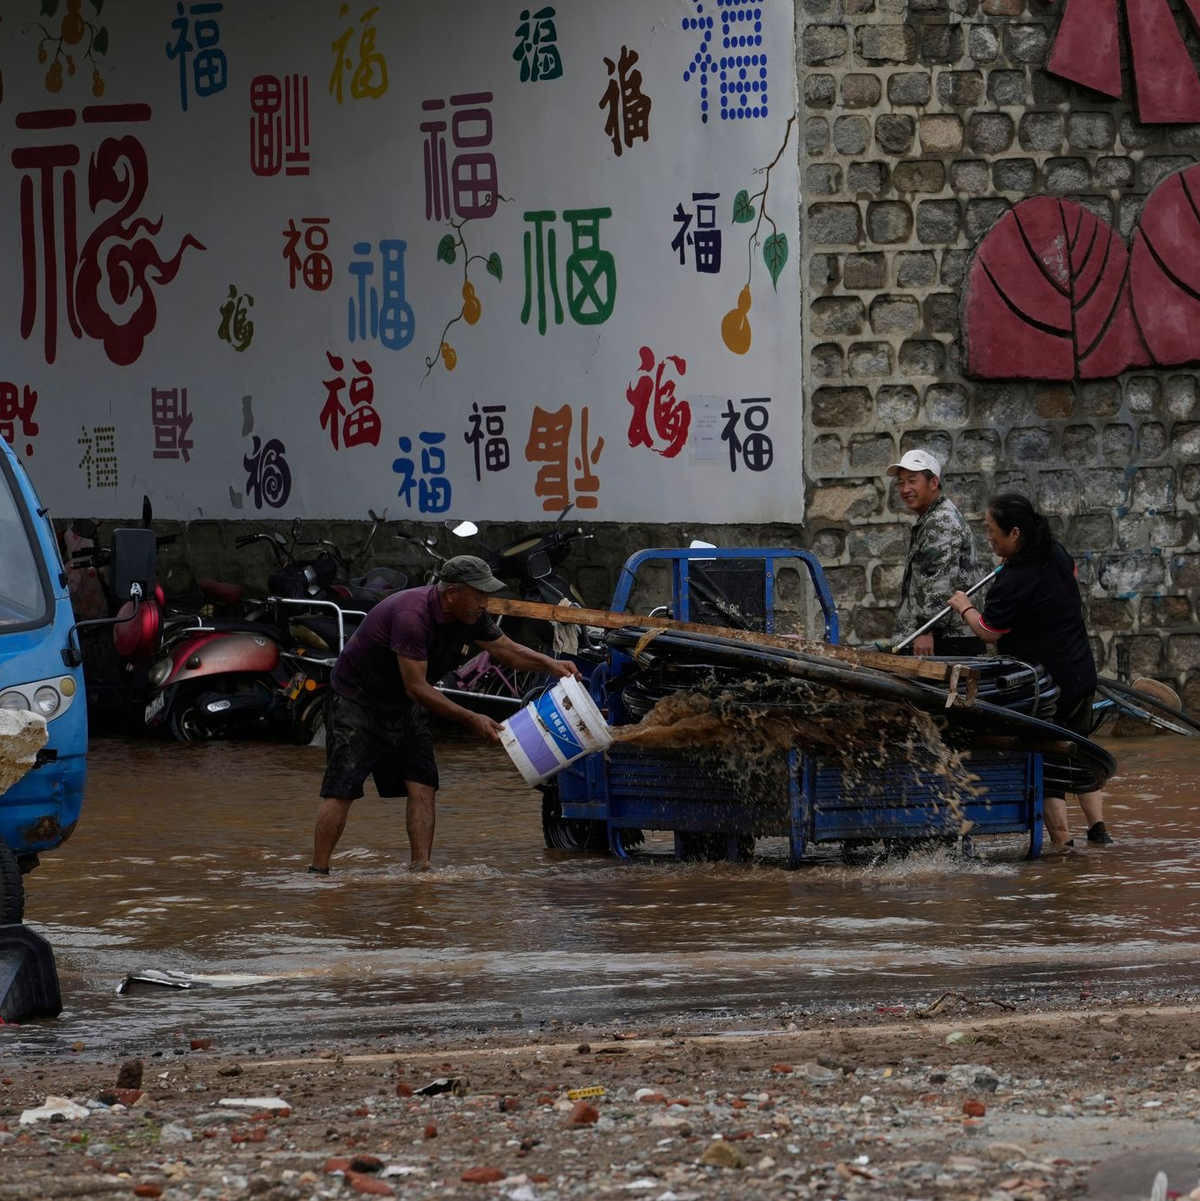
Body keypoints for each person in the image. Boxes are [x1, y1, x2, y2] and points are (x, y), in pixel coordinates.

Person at [309, 554, 580, 873]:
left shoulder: (471, 616)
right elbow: (418, 688)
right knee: (342, 788)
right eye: (480, 594)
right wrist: (471, 717)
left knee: (423, 784)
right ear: (452, 593)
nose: (485, 602)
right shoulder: (412, 616)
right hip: (358, 700)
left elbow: (506, 649)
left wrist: (551, 664)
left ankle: (421, 870)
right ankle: (318, 873)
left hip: (403, 705)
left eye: (487, 595)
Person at [947, 492, 1113, 848]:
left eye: (992, 530)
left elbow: (989, 631)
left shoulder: (1013, 580)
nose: (988, 537)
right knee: (1081, 751)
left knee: (1048, 765)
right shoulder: (1055, 552)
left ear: (1015, 534)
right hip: (1081, 671)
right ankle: (1099, 832)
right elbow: (1071, 574)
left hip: (1047, 686)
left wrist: (964, 606)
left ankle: (1062, 851)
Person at [888, 449, 984, 657]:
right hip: (942, 634)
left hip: (945, 637)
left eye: (912, 481)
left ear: (933, 483)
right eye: (901, 482)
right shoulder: (933, 517)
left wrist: (926, 629)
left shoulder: (940, 521)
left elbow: (939, 580)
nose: (905, 489)